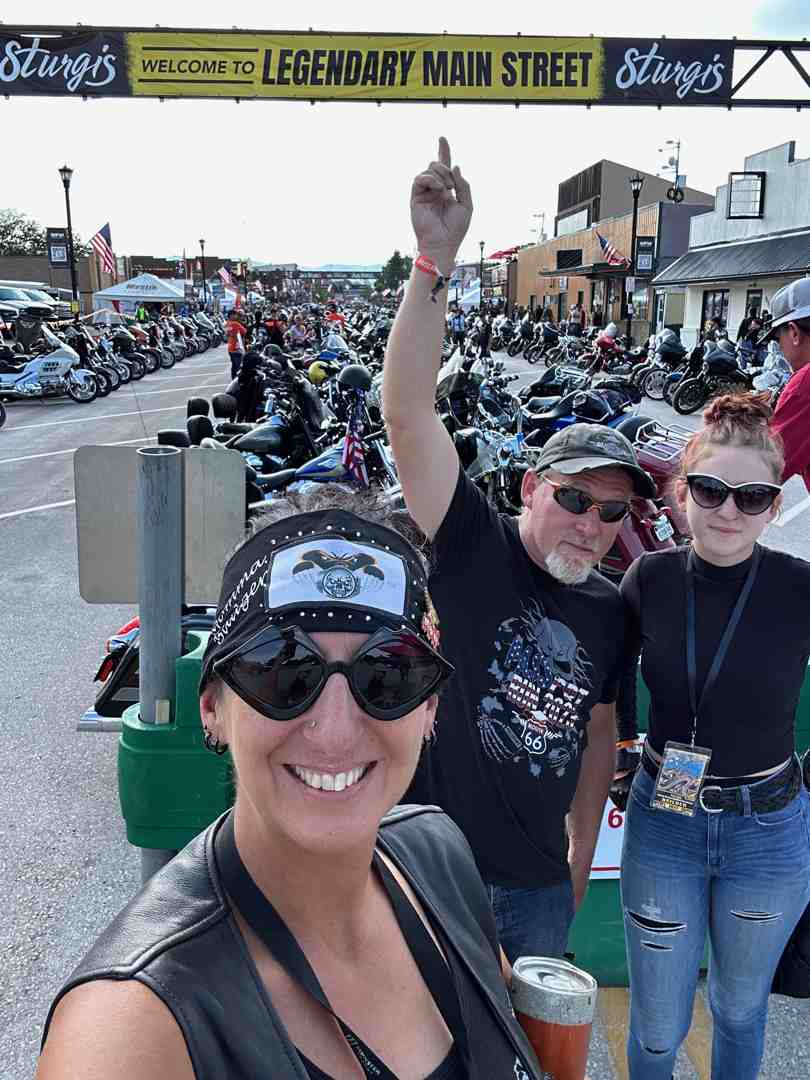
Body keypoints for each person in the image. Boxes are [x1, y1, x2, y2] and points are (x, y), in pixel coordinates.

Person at [37, 491, 541, 1080]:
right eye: (281, 671)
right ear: (212, 707)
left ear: (429, 708)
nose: (335, 731)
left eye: (388, 673)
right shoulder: (131, 1029)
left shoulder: (440, 855)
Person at [382, 137, 655, 963]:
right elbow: (408, 412)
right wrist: (433, 261)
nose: (591, 524)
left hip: (537, 889)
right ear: (532, 487)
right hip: (427, 869)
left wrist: (581, 854)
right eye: (574, 498)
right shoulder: (474, 542)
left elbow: (599, 734)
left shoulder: (609, 607)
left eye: (611, 511)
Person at [619, 393, 810, 1080]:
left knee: (738, 1010)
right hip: (666, 819)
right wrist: (624, 750)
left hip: (768, 831)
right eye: (710, 490)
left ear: (774, 505)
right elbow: (612, 676)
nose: (729, 510)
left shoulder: (799, 586)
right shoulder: (650, 577)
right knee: (657, 1030)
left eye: (752, 497)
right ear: (682, 491)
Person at [768, 277, 810, 492]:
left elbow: (766, 468)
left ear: (793, 332)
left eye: (778, 339)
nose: (780, 348)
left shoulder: (805, 383)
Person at [225, 311, 249, 380]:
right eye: (235, 315)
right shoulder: (236, 324)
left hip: (230, 347)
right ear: (231, 315)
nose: (236, 316)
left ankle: (233, 379)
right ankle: (238, 380)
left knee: (234, 366)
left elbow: (226, 334)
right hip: (237, 348)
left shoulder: (227, 324)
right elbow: (244, 331)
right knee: (239, 366)